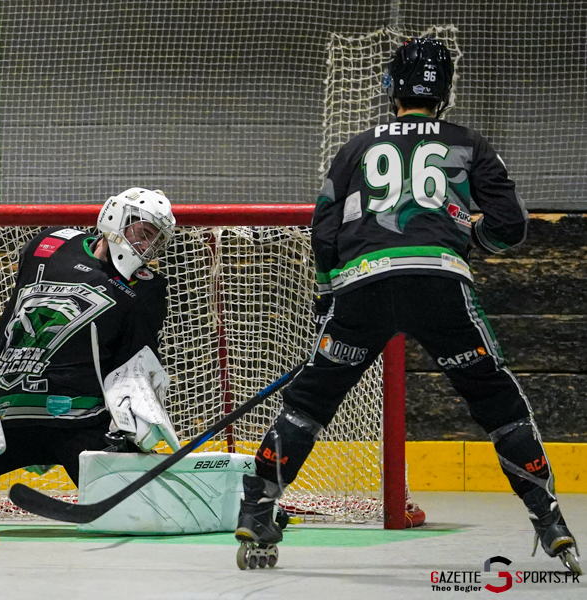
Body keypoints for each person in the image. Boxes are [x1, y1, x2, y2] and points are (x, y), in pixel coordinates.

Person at [234, 38, 581, 574]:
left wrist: (330, 296)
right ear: (444, 92)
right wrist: (473, 231)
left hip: (362, 287)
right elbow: (510, 229)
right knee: (497, 403)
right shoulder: (470, 144)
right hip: (439, 284)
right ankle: (548, 518)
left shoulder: (353, 148)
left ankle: (257, 509)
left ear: (392, 88)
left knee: (308, 404)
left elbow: (323, 231)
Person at [0, 188, 178, 497]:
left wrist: (126, 429)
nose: (147, 246)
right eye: (144, 232)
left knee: (127, 505)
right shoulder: (49, 244)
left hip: (80, 425)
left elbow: (133, 368)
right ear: (116, 217)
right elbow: (8, 321)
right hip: (9, 420)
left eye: (156, 240)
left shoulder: (145, 289)